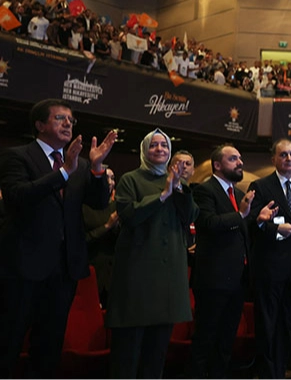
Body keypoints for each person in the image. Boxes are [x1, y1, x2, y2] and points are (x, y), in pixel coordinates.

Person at [0, 99, 116, 379]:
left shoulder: (81, 164)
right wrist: (64, 172)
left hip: (64, 270)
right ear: (40, 125)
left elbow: (99, 202)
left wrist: (97, 168)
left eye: (71, 120)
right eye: (60, 118)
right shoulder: (17, 156)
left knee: (49, 348)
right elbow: (17, 196)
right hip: (23, 268)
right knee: (7, 343)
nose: (68, 124)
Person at [106, 129, 199, 380]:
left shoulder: (178, 182)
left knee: (156, 357)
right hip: (138, 277)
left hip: (167, 279)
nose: (160, 149)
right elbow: (128, 215)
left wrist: (177, 188)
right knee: (128, 357)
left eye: (164, 145)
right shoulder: (131, 179)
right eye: (154, 145)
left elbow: (191, 216)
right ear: (144, 150)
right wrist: (162, 195)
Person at [189, 145, 273, 380]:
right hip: (213, 280)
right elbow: (208, 223)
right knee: (205, 339)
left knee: (226, 340)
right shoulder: (204, 190)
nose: (240, 163)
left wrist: (257, 219)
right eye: (233, 159)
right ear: (217, 165)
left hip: (237, 280)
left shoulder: (237, 194)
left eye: (240, 158)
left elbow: (240, 230)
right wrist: (242, 215)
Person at [249, 139, 291, 380]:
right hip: (268, 271)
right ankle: (269, 375)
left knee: (287, 327)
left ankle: (279, 372)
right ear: (274, 160)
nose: (289, 158)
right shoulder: (261, 186)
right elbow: (252, 223)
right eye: (283, 155)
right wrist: (275, 229)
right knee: (267, 328)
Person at [82, 167, 119, 308]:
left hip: (114, 275)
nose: (110, 182)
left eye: (112, 178)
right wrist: (107, 226)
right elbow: (81, 241)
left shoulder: (117, 206)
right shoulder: (83, 208)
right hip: (91, 272)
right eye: (105, 178)